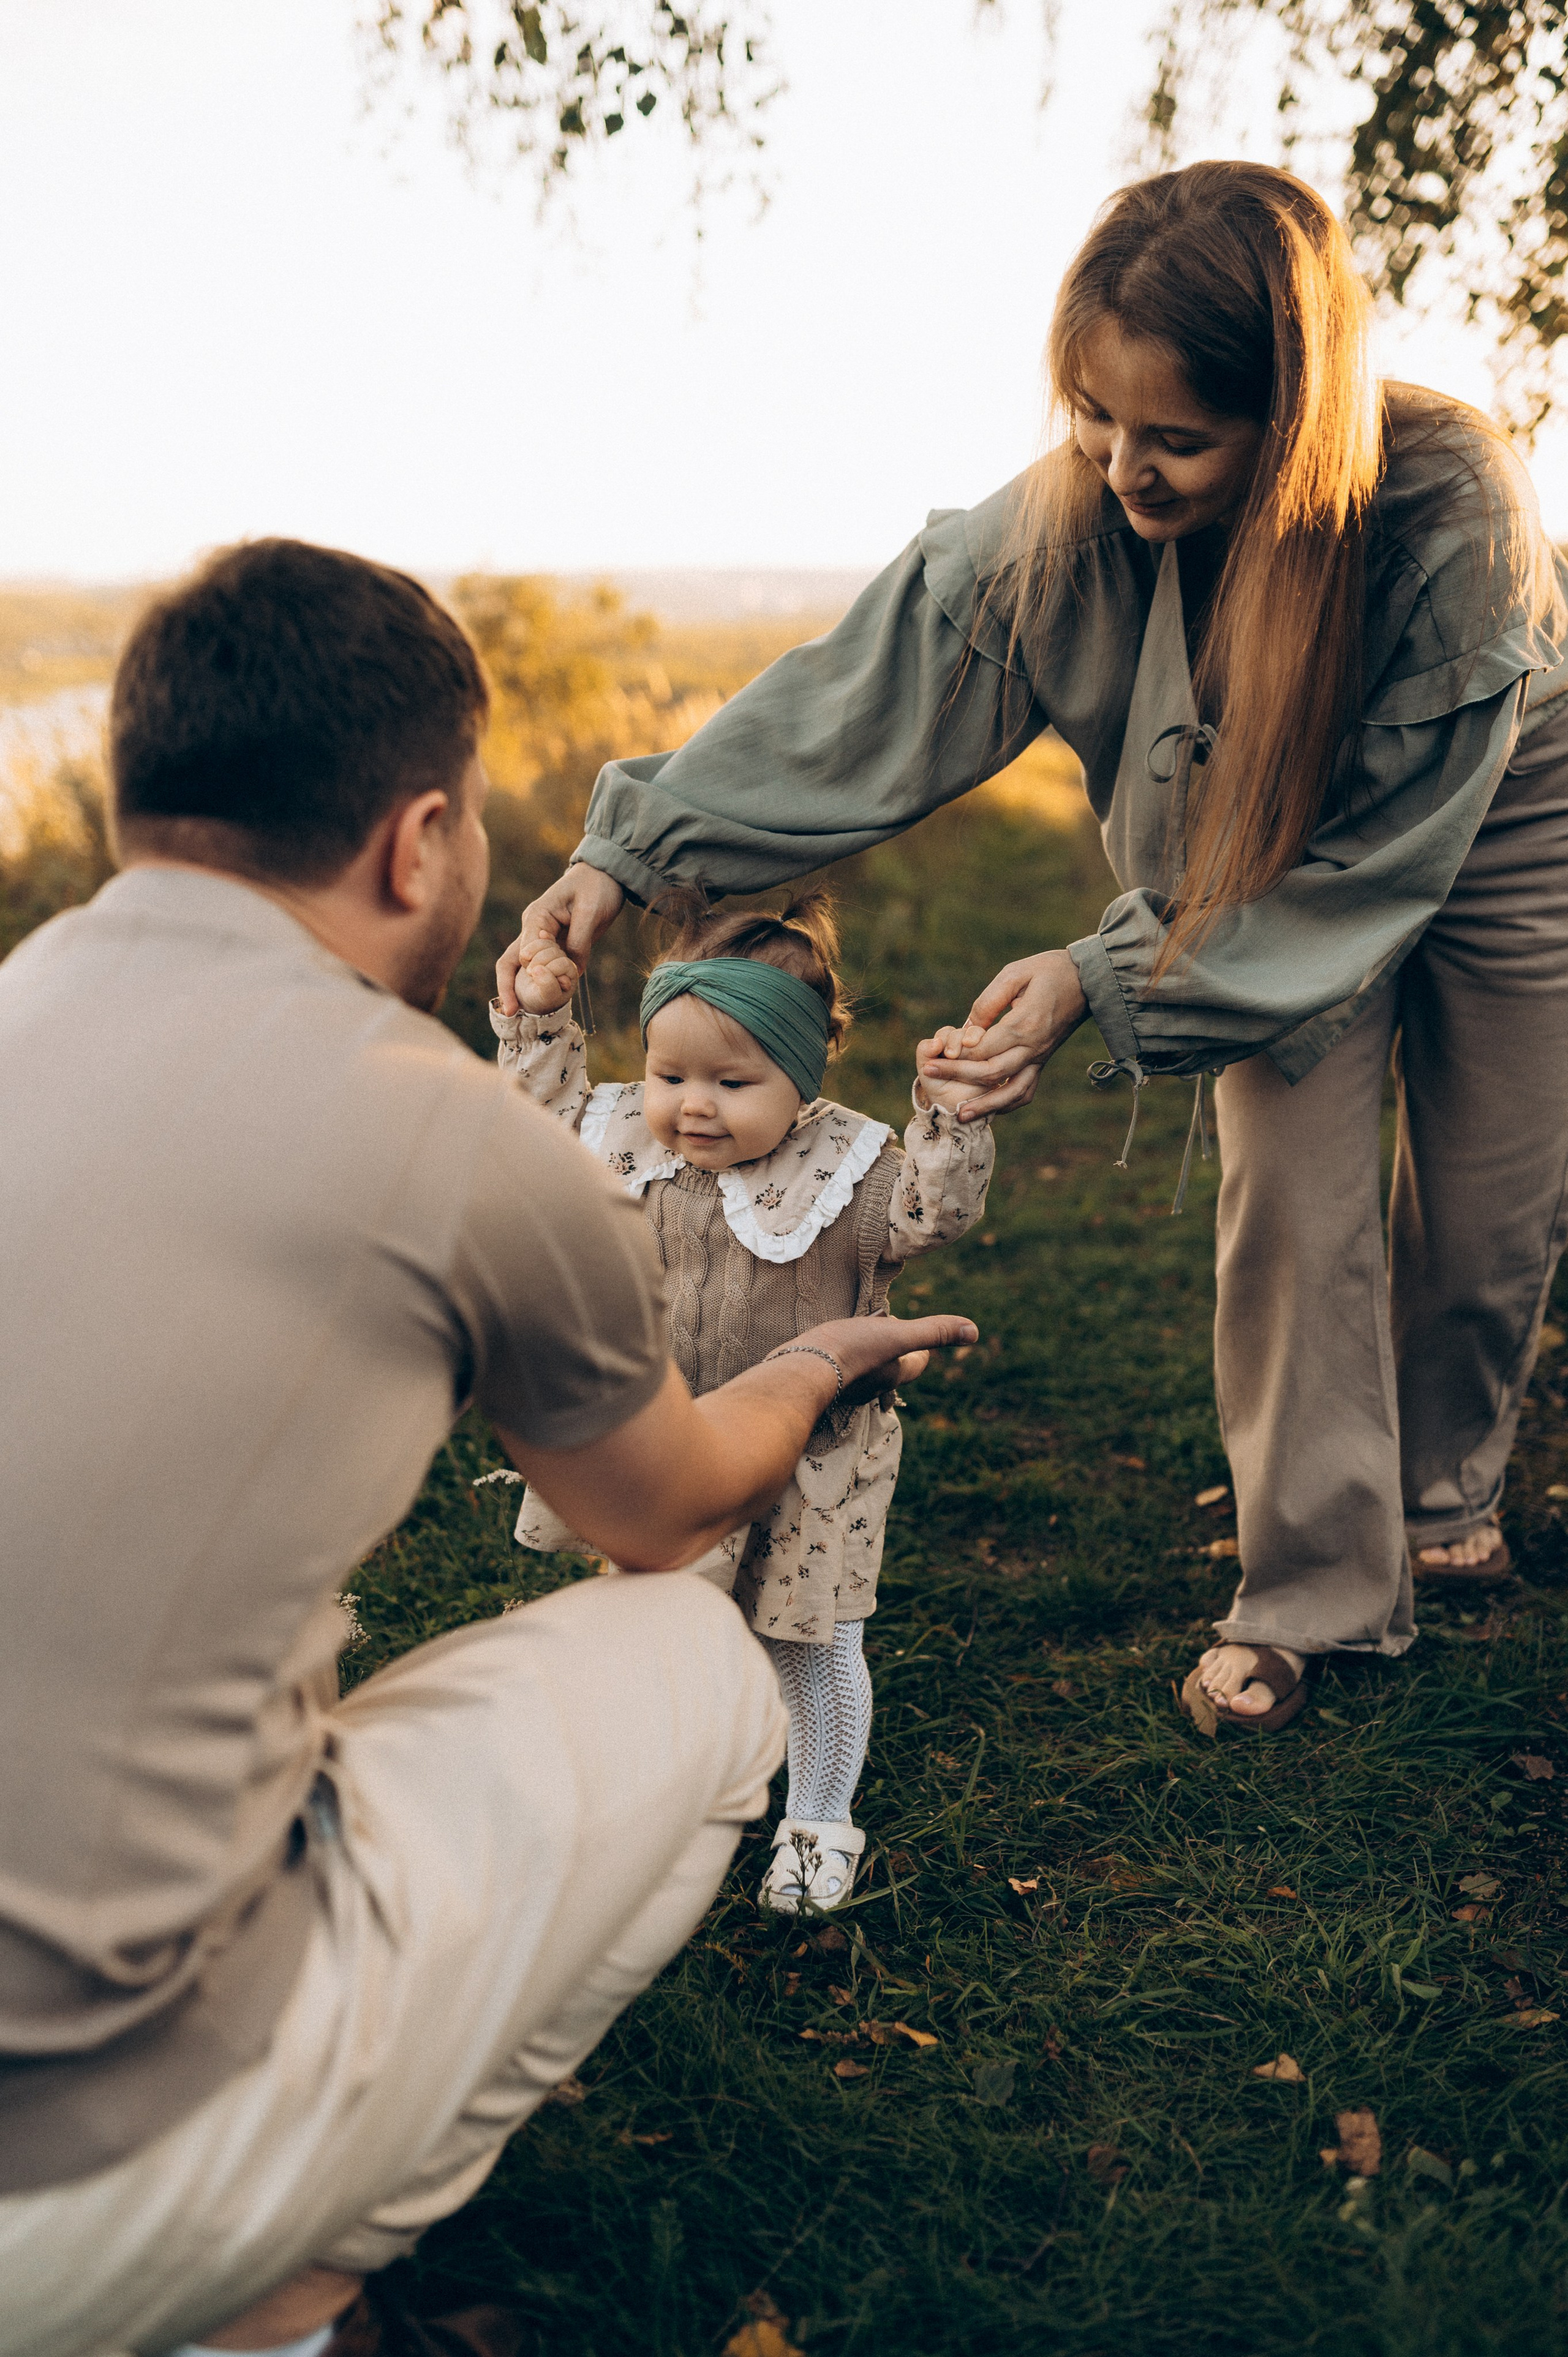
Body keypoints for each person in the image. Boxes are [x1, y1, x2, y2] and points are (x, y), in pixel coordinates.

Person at [0, 538, 973, 2357]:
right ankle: (282, 2289)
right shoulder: (447, 1133)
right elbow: (663, 1507)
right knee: (697, 1656)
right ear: (422, 840)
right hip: (81, 2167)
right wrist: (829, 1353)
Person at [503, 159, 1568, 1738]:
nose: (1119, 467)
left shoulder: (1441, 497)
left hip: (1494, 816)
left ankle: (1435, 1495)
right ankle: (1311, 1591)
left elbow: (1372, 857)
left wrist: (1099, 971)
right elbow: (864, 695)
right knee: (1293, 1196)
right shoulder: (1071, 510)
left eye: (1175, 439)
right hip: (1242, 847)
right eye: (1091, 415)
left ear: (1291, 416)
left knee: (1489, 1198)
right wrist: (629, 850)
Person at [496, 889, 995, 1910]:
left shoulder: (849, 1173)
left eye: (734, 1080)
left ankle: (816, 1820)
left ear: (802, 1077)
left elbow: (933, 1215)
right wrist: (543, 1018)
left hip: (810, 1463)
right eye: (670, 1074)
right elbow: (535, 1123)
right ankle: (659, 1799)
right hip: (664, 1445)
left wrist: (949, 1114)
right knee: (655, 1626)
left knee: (805, 1638)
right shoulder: (630, 1141)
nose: (694, 1104)